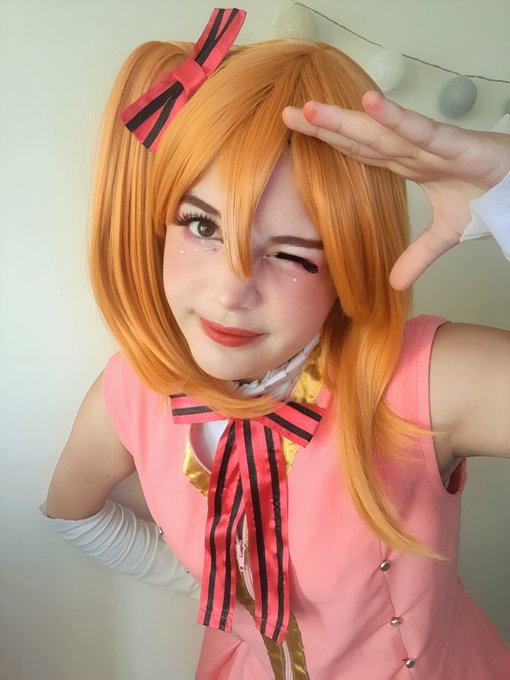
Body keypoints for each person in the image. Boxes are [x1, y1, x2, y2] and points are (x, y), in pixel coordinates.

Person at [42, 7, 510, 679]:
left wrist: (508, 199)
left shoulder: (420, 380)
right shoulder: (130, 392)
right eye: (203, 226)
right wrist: (228, 598)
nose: (232, 291)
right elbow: (72, 514)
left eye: (291, 255)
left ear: (347, 267)